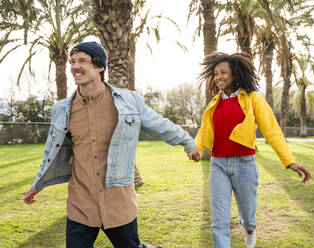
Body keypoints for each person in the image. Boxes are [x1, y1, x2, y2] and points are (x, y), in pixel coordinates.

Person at [23, 41, 200, 248]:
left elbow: (160, 125)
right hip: (81, 203)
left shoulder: (128, 102)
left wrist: (188, 142)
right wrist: (37, 185)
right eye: (72, 62)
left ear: (100, 67)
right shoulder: (62, 109)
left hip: (118, 202)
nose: (75, 66)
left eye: (82, 61)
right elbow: (51, 152)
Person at [194, 52, 311, 248]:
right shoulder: (214, 103)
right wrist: (195, 148)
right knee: (219, 221)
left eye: (223, 72)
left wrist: (290, 161)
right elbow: (204, 130)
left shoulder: (252, 99)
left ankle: (250, 230)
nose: (218, 77)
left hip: (245, 164)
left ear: (235, 75)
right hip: (218, 164)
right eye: (215, 73)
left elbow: (272, 131)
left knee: (248, 217)